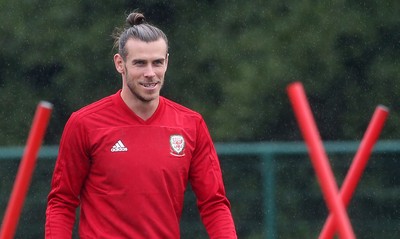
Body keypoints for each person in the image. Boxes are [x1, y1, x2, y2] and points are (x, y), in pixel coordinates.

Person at [45, 10, 237, 238]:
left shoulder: (190, 124)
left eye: (157, 63)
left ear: (167, 62)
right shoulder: (84, 123)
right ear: (120, 63)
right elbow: (62, 201)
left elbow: (214, 204)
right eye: (140, 63)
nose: (150, 73)